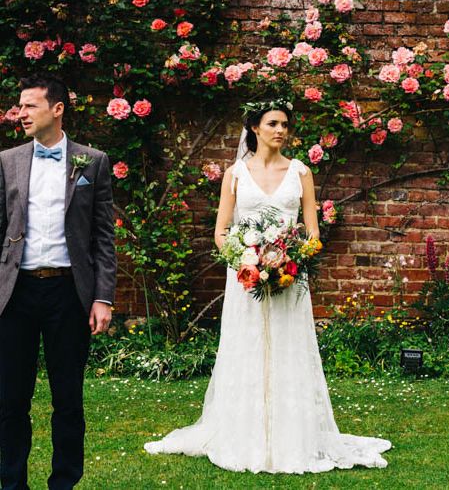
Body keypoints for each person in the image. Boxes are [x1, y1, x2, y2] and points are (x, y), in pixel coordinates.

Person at [144, 99, 391, 473]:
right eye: (273, 123)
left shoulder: (301, 173)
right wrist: (247, 260)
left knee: (289, 349)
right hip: (246, 278)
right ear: (255, 129)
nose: (280, 130)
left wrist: (290, 260)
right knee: (247, 348)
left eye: (285, 125)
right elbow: (221, 232)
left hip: (290, 278)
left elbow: (312, 234)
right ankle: (245, 433)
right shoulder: (236, 174)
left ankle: (292, 437)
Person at [0, 73, 117, 490]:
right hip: (16, 295)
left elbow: (104, 235)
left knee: (68, 399)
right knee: (11, 400)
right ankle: (12, 483)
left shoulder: (93, 161)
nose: (21, 113)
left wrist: (103, 297)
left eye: (30, 105)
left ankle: (64, 483)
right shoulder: (7, 161)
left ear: (57, 109)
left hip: (69, 294)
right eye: (19, 105)